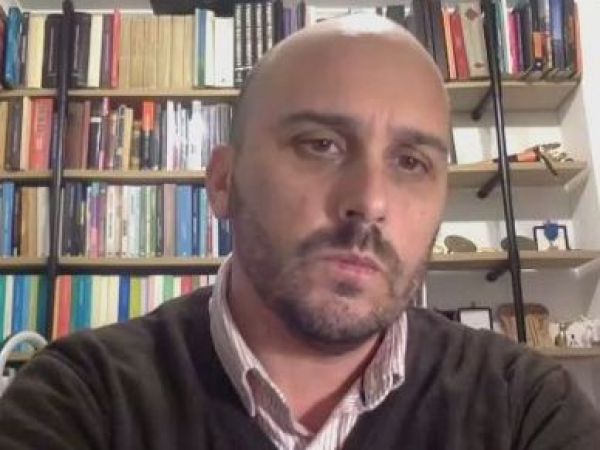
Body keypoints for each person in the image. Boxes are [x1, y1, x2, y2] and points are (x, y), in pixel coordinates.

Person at [0, 14, 598, 450]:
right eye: (321, 145)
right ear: (223, 182)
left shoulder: (526, 409)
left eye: (411, 162)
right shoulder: (82, 401)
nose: (369, 202)